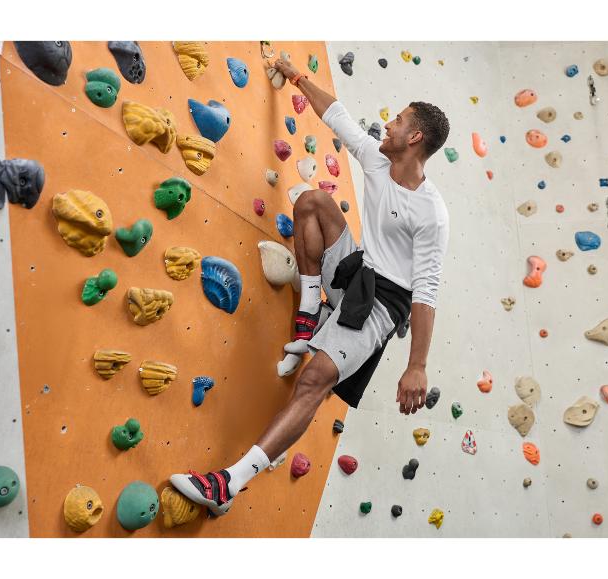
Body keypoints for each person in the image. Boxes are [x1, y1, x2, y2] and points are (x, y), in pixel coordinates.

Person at [170, 56, 450, 517]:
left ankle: (228, 483)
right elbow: (337, 114)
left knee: (314, 380)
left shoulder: (432, 213)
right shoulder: (380, 162)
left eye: (397, 120)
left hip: (381, 305)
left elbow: (426, 290)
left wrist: (417, 364)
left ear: (414, 138)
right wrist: (296, 75)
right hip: (356, 272)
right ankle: (308, 314)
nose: (387, 123)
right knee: (314, 202)